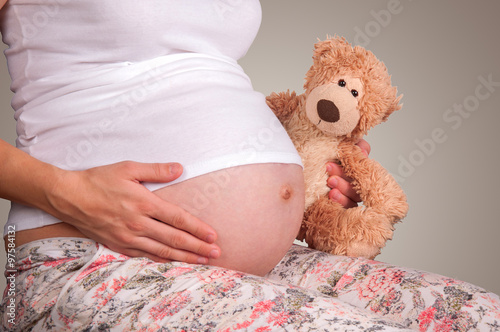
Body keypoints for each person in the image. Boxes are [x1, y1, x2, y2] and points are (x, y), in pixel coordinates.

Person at [1, 1, 499, 331]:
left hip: (269, 261)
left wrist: (293, 162)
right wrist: (63, 189)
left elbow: (188, 77)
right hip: (94, 257)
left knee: (480, 317)